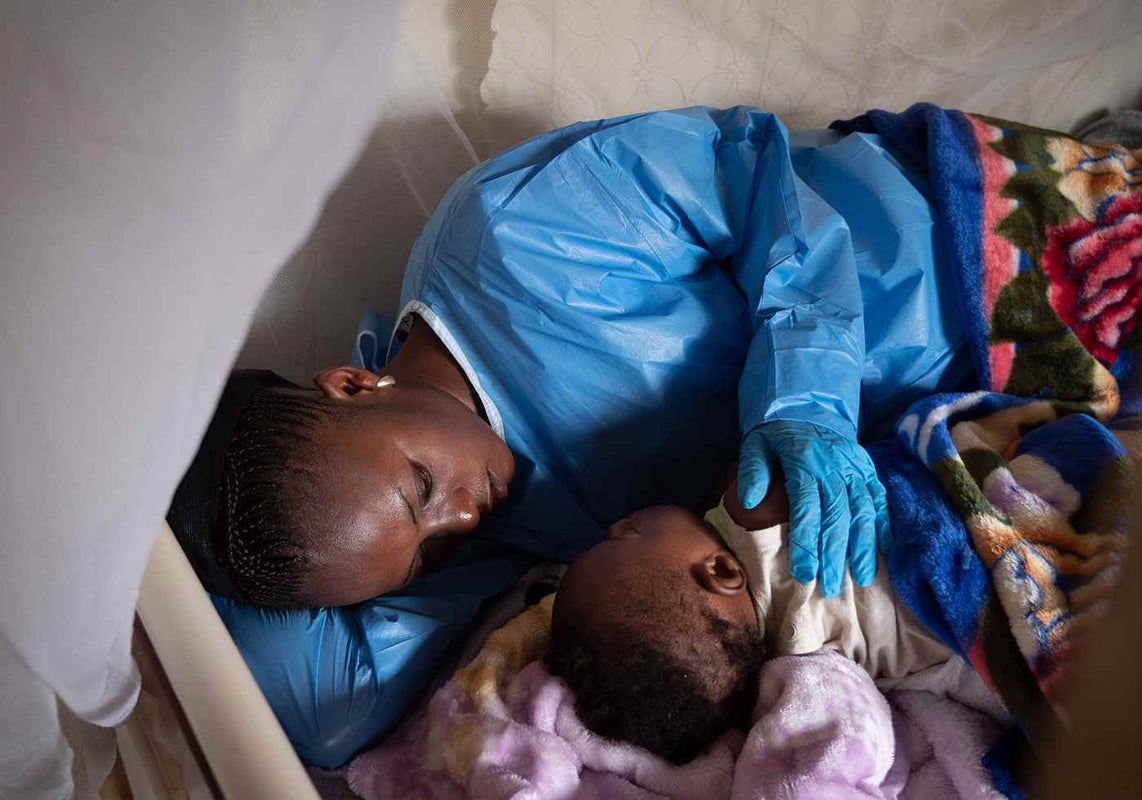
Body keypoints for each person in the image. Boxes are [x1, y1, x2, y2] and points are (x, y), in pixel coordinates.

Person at [172, 106, 973, 765]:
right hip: (963, 404)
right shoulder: (478, 532)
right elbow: (327, 711)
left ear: (353, 382)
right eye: (428, 553)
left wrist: (805, 398)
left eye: (422, 486)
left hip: (944, 238)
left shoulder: (515, 233)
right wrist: (166, 530)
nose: (464, 517)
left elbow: (757, 171)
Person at [545, 486, 960, 764]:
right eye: (625, 535)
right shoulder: (753, 519)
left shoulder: (798, 658)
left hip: (953, 631)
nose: (613, 524)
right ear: (722, 571)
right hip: (941, 543)